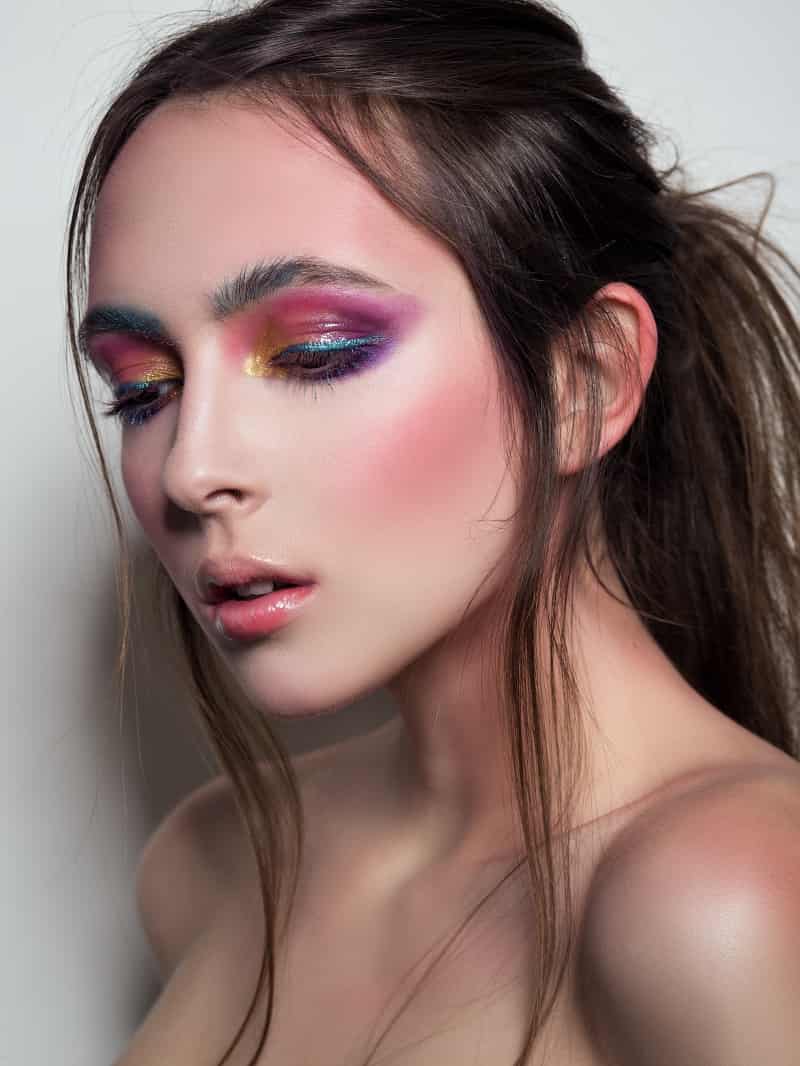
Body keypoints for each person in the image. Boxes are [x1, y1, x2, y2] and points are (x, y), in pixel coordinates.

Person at [67, 1, 800, 1063]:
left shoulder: (732, 901)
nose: (189, 470)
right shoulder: (212, 865)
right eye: (143, 388)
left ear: (584, 379)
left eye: (315, 353)